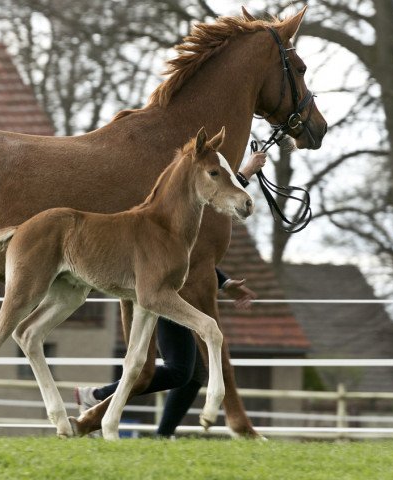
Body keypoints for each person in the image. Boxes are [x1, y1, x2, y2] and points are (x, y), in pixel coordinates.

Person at [74, 150, 266, 438]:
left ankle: (159, 435)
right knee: (178, 370)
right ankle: (100, 398)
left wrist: (224, 283)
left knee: (192, 372)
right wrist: (246, 174)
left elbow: (195, 253)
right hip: (164, 292)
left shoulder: (186, 210)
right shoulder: (170, 204)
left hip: (178, 289)